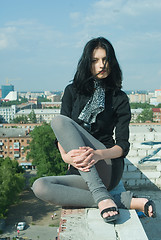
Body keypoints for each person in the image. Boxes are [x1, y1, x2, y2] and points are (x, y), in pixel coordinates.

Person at [32, 37, 156, 223]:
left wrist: (98, 154)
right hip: (79, 168)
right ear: (87, 63)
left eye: (105, 60)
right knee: (40, 186)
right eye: (95, 60)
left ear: (111, 62)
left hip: (106, 165)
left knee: (59, 121)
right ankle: (121, 201)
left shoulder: (119, 98)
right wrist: (67, 157)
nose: (101, 65)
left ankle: (101, 193)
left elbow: (122, 147)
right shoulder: (72, 91)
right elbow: (62, 136)